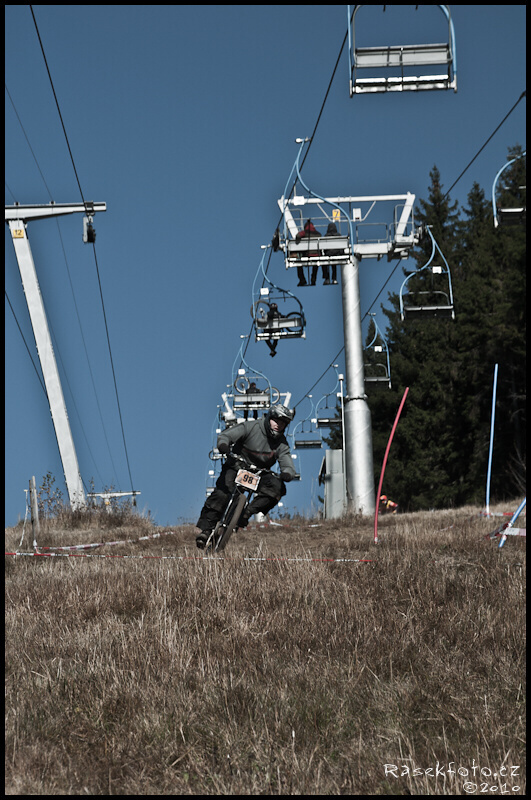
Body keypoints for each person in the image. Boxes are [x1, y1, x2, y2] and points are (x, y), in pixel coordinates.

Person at [195, 404, 297, 548]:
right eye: (276, 420)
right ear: (269, 418)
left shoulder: (282, 444)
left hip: (259, 473)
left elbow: (287, 462)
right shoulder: (251, 427)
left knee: (277, 488)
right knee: (222, 493)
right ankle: (206, 529)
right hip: (237, 466)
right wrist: (224, 445)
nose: (278, 425)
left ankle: (245, 513)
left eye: (282, 423)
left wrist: (287, 473)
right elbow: (226, 435)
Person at [295, 219, 321, 286]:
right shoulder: (318, 234)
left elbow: (298, 236)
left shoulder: (305, 232)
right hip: (317, 254)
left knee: (298, 263)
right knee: (316, 263)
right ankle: (313, 278)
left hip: (308, 254)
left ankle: (302, 279)